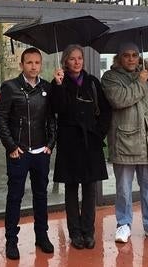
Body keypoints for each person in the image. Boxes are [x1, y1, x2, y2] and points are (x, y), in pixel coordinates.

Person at [101, 42, 148, 244]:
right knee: (123, 188)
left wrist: (146, 75)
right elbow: (120, 100)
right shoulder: (110, 78)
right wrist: (140, 80)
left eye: (135, 55)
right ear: (119, 58)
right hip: (125, 142)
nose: (131, 58)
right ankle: (123, 224)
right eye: (127, 55)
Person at [0, 47, 57, 260]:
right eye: (29, 62)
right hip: (19, 153)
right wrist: (11, 146)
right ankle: (11, 240)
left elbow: (52, 119)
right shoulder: (10, 88)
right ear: (22, 65)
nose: (33, 66)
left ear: (41, 65)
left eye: (37, 63)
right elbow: (0, 119)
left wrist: (50, 143)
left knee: (41, 196)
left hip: (41, 152)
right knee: (15, 197)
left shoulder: (47, 88)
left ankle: (42, 236)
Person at [50, 44, 111, 249]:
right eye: (72, 58)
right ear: (65, 61)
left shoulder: (93, 82)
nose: (77, 62)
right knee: (71, 189)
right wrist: (57, 86)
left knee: (90, 189)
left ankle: (88, 231)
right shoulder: (59, 82)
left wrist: (98, 133)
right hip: (69, 144)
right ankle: (75, 232)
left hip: (90, 142)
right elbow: (56, 109)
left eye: (79, 58)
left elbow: (105, 111)